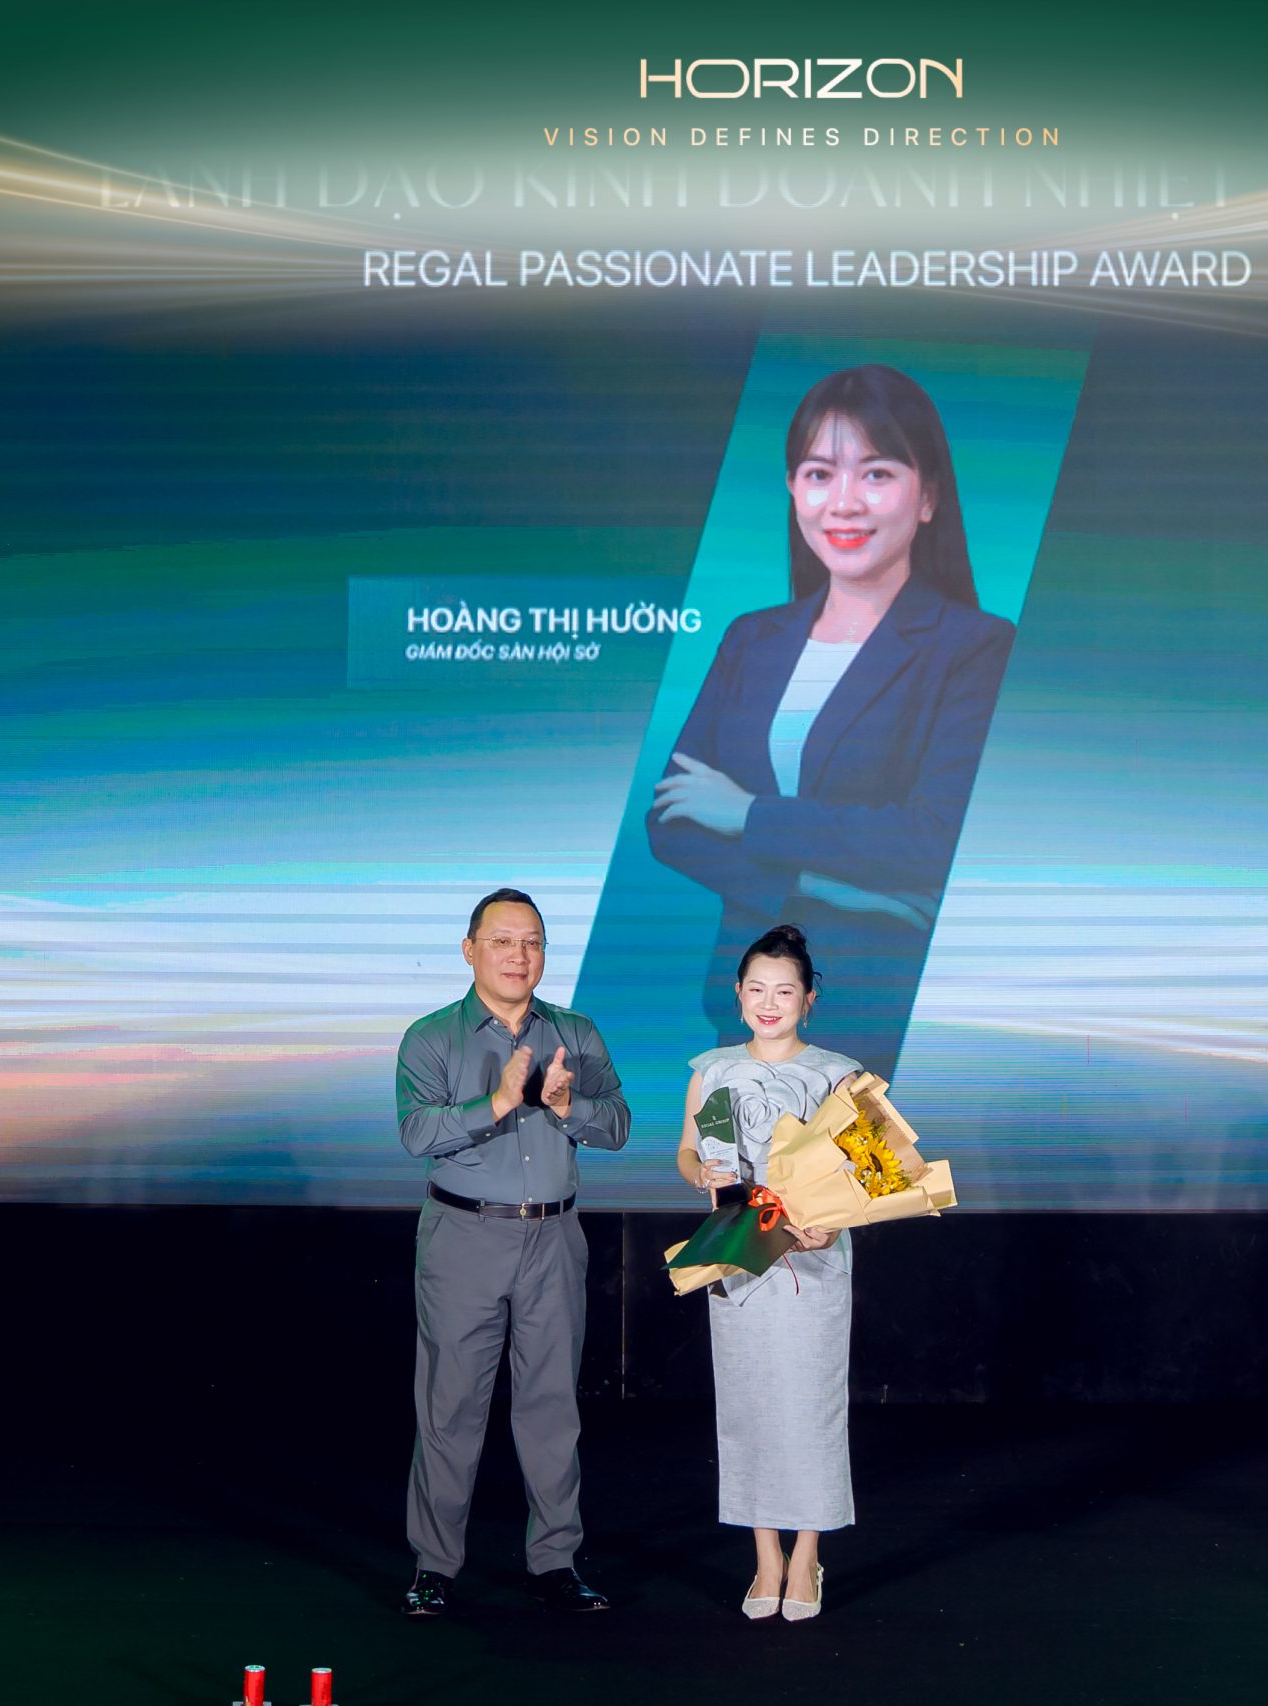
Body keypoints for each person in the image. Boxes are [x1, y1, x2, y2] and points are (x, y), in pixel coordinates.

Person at [648, 364, 1015, 1081]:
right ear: (793, 489)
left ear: (928, 496)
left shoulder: (975, 649)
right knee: (734, 1161)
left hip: (877, 1023)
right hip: (749, 1019)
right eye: (819, 474)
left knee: (867, 1161)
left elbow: (933, 840)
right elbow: (673, 822)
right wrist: (840, 886)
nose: (843, 502)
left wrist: (747, 815)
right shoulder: (751, 638)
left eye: (876, 473)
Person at [674, 923, 922, 1623]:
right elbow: (688, 1153)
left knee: (810, 1404)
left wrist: (836, 1222)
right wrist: (702, 1175)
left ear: (808, 1000)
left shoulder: (839, 1074)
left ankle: (808, 1551)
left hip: (813, 1258)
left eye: (784, 992)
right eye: (756, 990)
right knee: (748, 1404)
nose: (768, 1003)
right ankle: (765, 1556)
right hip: (737, 1249)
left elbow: (883, 1171)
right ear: (737, 994)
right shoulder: (713, 1070)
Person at [395, 887, 630, 1618]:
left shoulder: (576, 1033)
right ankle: (435, 1566)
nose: (517, 955)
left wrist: (566, 1106)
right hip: (464, 1236)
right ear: (470, 950)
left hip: (553, 1238)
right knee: (450, 1407)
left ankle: (555, 1561)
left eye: (531, 942)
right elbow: (416, 1132)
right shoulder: (431, 1037)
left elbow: (618, 1125)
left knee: (551, 1406)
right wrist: (496, 1103)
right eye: (501, 941)